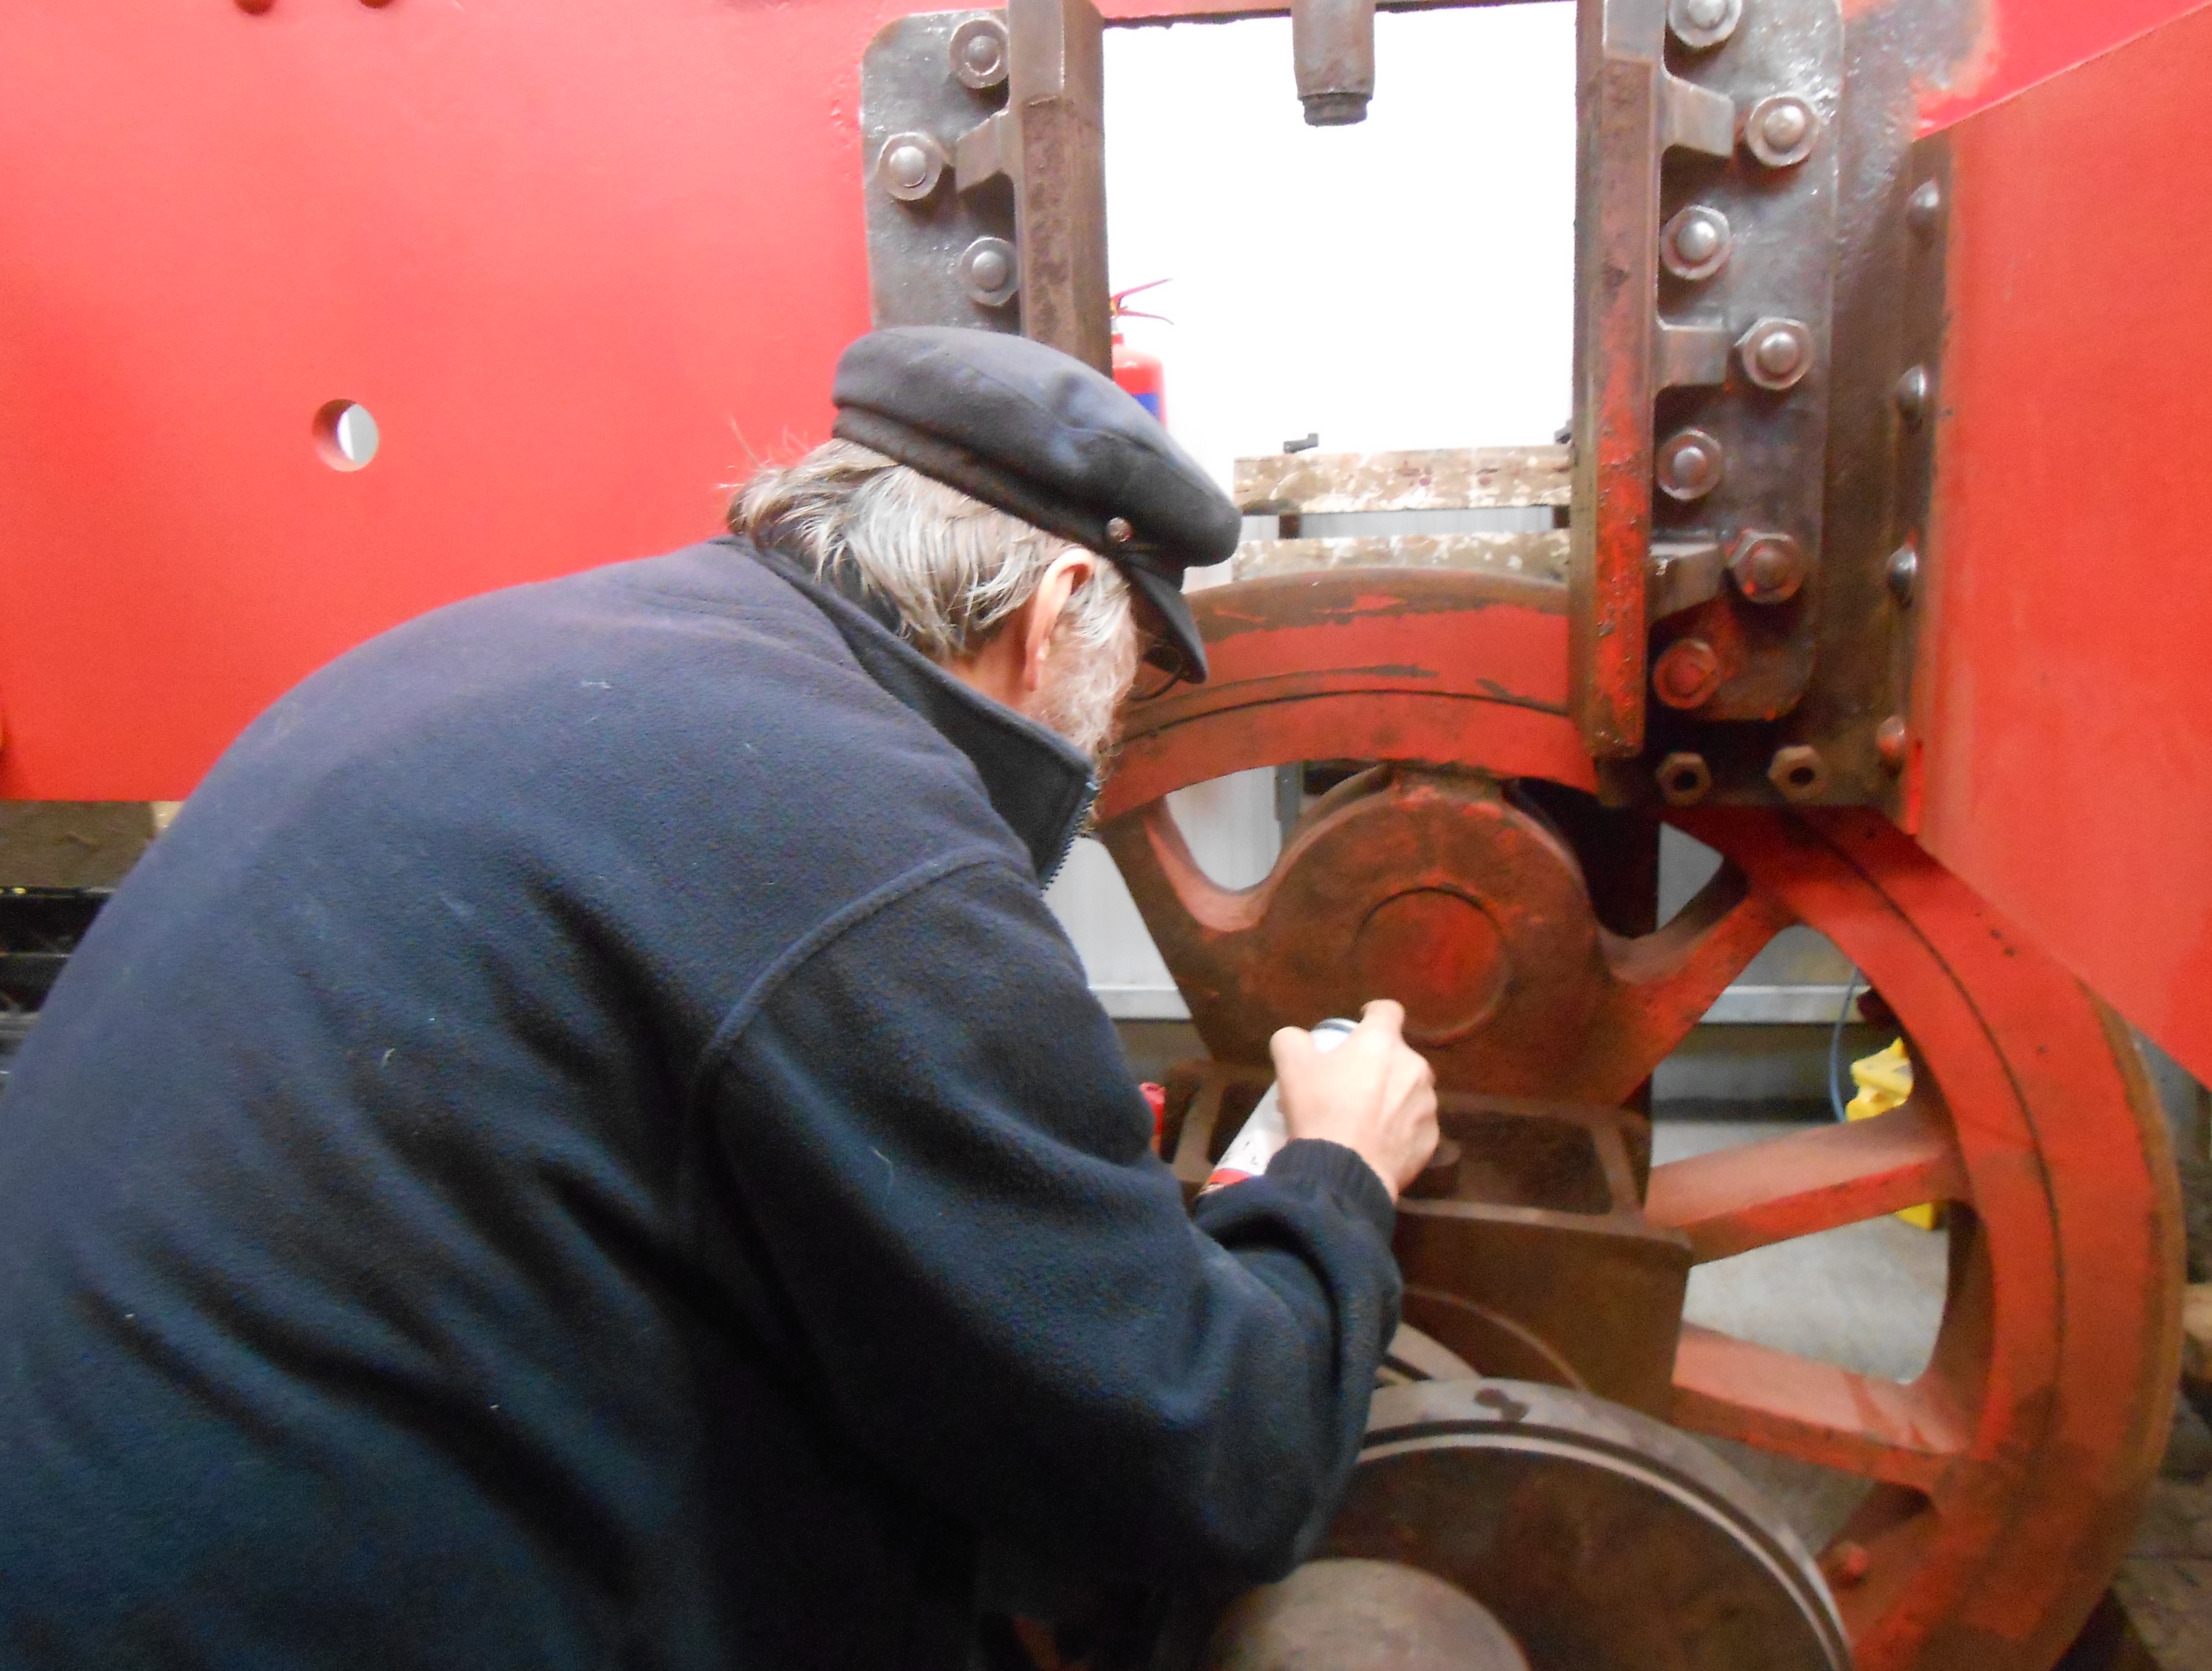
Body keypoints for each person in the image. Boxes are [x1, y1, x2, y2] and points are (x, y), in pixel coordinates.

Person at [0, 326, 1439, 1669]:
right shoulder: (861, 831)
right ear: (1060, 609)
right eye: (1123, 689)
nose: (1108, 738)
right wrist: (1333, 1176)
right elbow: (1201, 1461)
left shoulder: (536, 641)